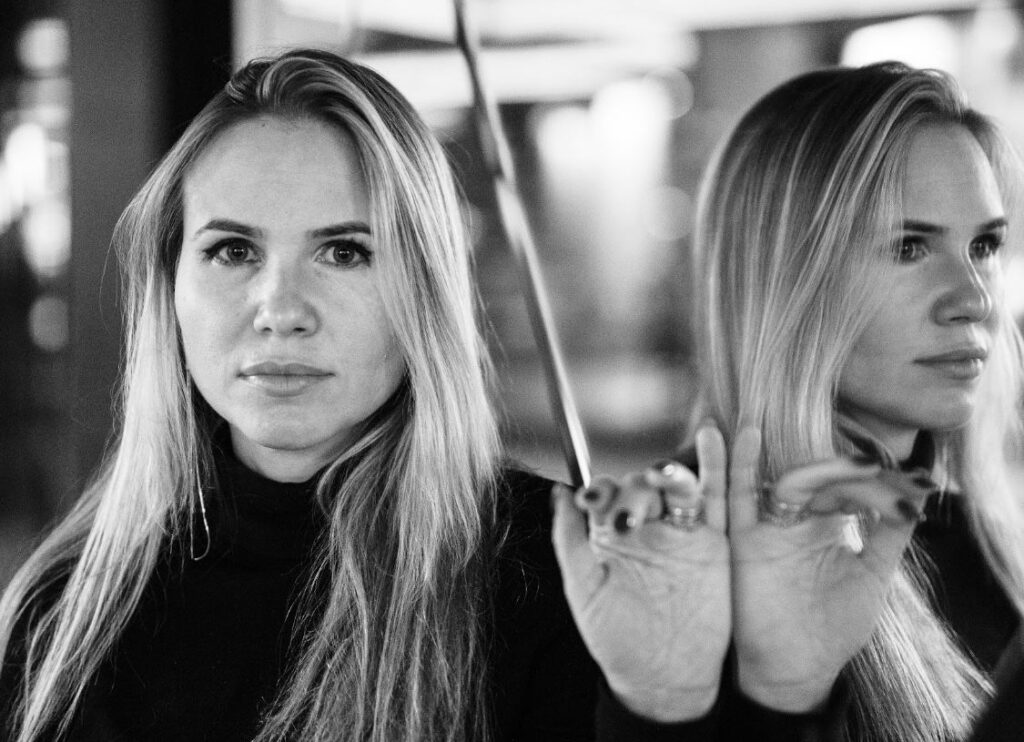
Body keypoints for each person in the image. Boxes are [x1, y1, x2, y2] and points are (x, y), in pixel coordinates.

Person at [0, 48, 677, 742]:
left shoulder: (558, 581)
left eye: (344, 252)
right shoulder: (66, 609)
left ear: (423, 289)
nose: (281, 310)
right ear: (168, 284)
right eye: (233, 250)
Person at [553, 61, 1024, 741]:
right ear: (786, 275)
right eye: (910, 247)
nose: (974, 299)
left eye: (984, 246)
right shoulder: (661, 560)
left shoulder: (975, 541)